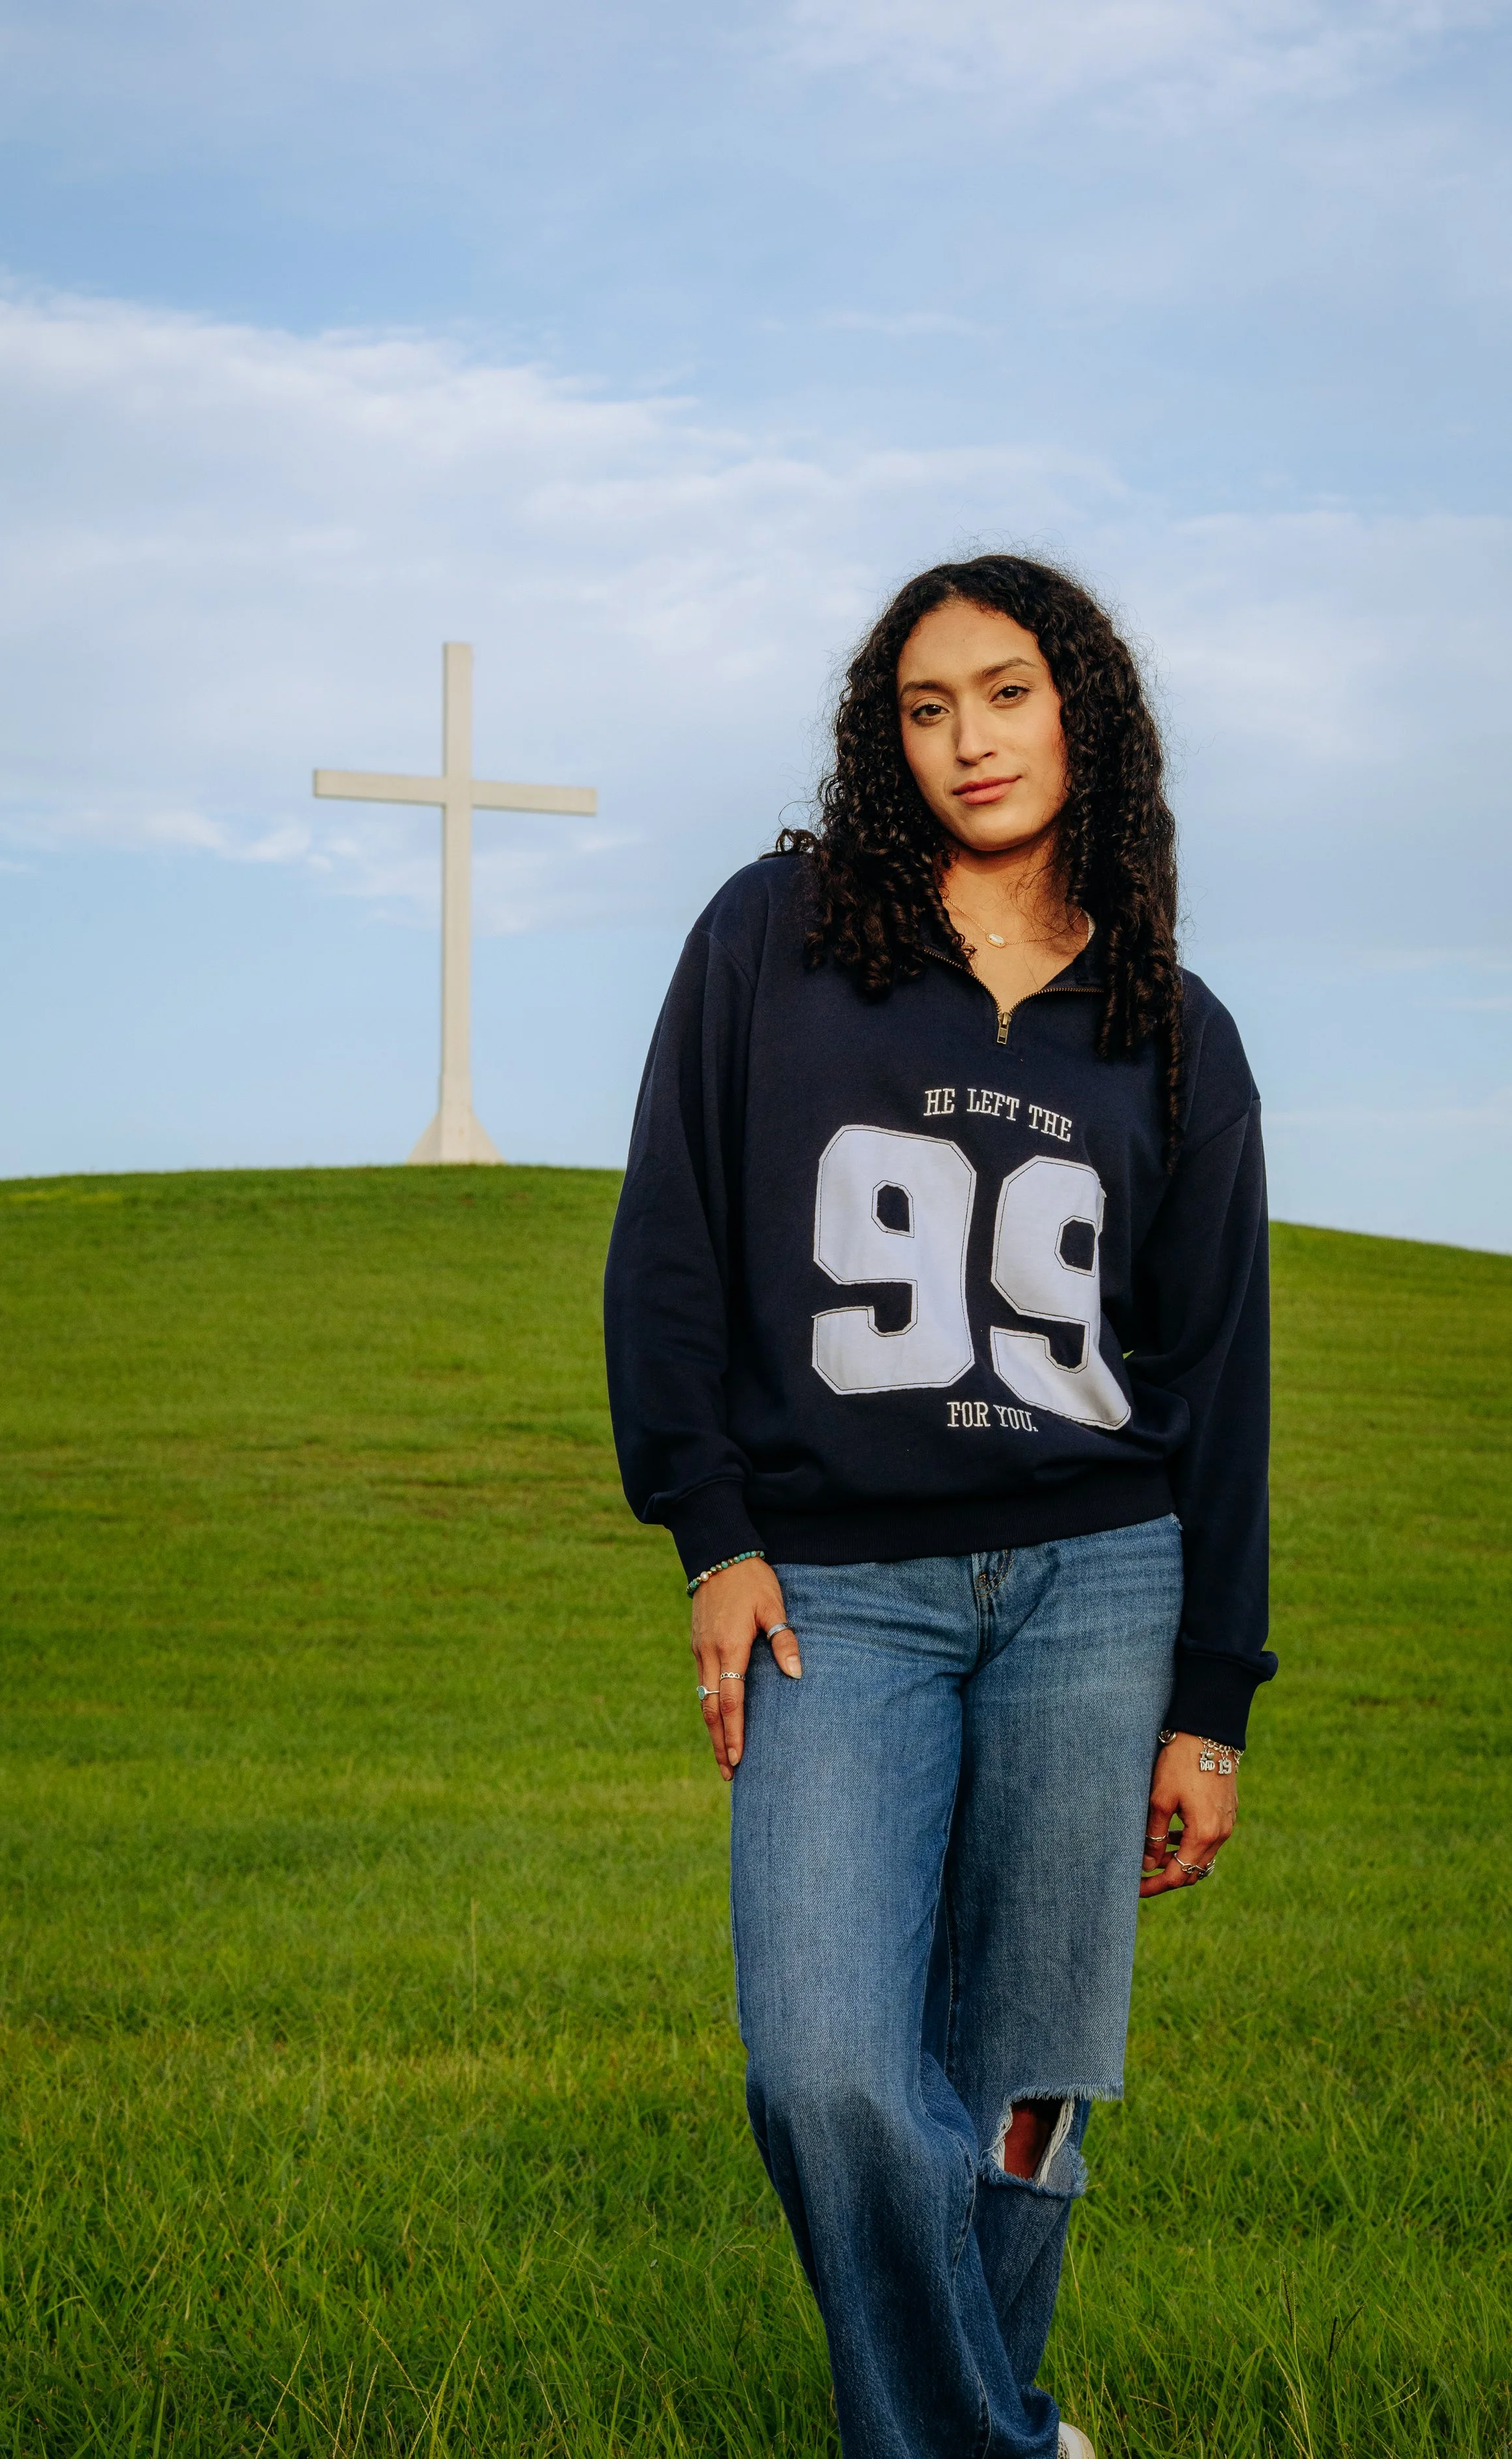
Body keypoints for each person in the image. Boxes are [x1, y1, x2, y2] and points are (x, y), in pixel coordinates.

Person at [603, 555, 1272, 2459]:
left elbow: (1214, 1380)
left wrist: (1209, 1698)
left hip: (1098, 1586)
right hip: (838, 1589)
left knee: (1023, 2078)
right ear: (880, 735)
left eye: (1004, 691)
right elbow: (670, 1247)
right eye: (923, 704)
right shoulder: (777, 936)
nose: (966, 738)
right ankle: (1000, 2438)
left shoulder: (1167, 1026)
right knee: (823, 2063)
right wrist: (710, 1531)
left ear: (1084, 713)